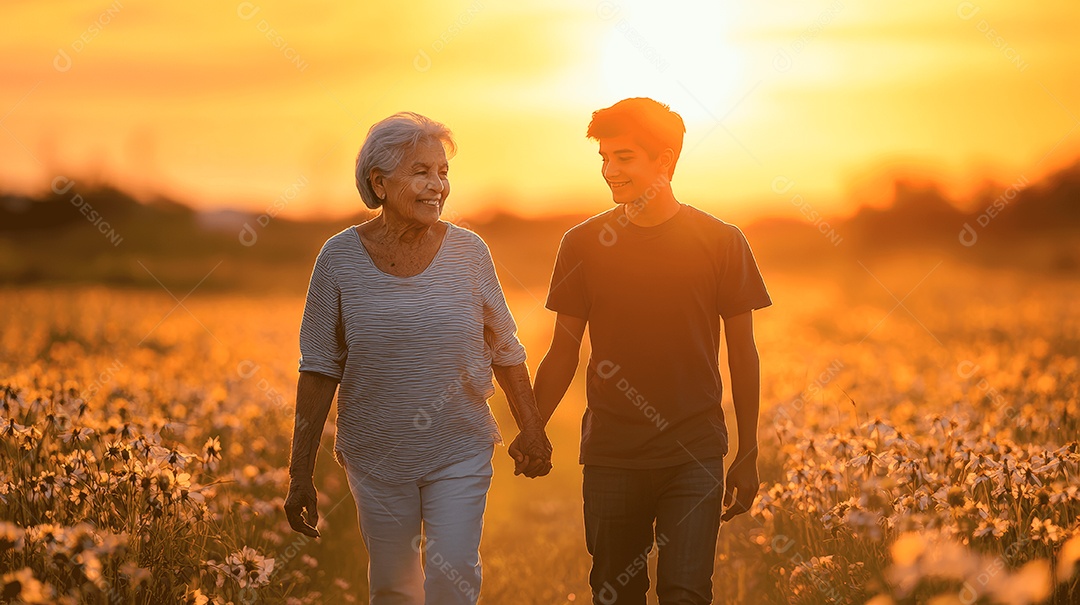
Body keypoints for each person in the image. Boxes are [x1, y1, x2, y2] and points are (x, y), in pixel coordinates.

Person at [510, 98, 771, 604]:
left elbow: (744, 354)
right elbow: (563, 351)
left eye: (624, 157)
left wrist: (748, 451)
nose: (610, 171)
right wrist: (533, 427)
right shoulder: (582, 243)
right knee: (615, 593)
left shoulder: (722, 241)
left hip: (695, 452)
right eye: (604, 158)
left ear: (664, 160)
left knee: (686, 593)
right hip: (611, 455)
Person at [285, 112, 552, 605]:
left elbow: (505, 348)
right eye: (422, 172)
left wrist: (532, 429)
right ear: (379, 183)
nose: (438, 186)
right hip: (376, 453)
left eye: (443, 172)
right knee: (394, 587)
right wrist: (299, 473)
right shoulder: (338, 259)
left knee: (454, 576)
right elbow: (319, 367)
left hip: (460, 445)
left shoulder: (470, 252)